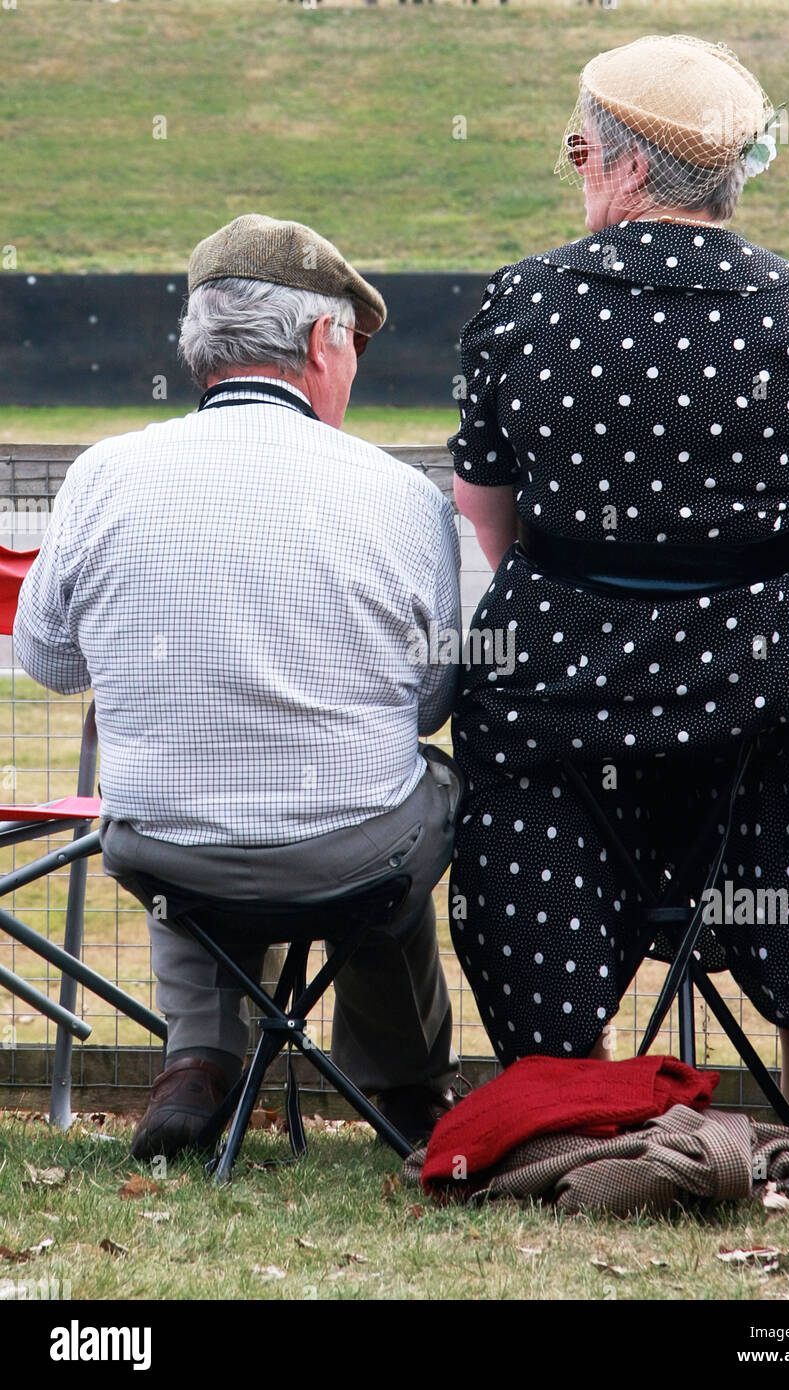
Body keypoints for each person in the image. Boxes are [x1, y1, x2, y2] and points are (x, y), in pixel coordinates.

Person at [447, 35, 789, 1134]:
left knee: (528, 816)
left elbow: (485, 516)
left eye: (577, 152)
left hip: (559, 691)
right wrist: (784, 615)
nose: (577, 173)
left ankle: (577, 1115)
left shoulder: (521, 304)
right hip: (765, 695)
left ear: (630, 168)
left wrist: (590, 593)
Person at [14, 214, 464, 1155]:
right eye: (354, 345)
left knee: (189, 800)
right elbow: (427, 703)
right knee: (414, 788)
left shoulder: (103, 474)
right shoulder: (400, 493)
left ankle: (200, 1057)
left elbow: (48, 661)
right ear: (317, 342)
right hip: (352, 858)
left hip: (157, 851)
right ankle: (405, 1086)